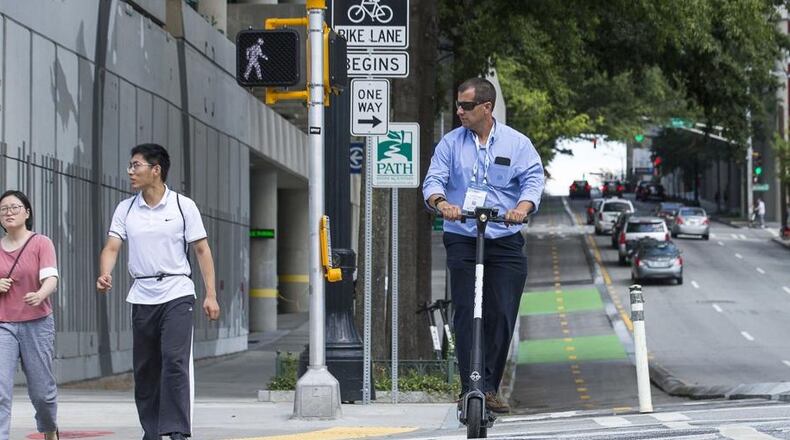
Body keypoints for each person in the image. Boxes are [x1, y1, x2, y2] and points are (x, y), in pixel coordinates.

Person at [422, 78, 544, 414]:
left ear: (486, 108)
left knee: (501, 313)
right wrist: (441, 201)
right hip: (463, 235)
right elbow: (433, 179)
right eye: (458, 105)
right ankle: (469, 388)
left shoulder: (517, 144)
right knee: (467, 311)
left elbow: (533, 179)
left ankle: (489, 387)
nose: (459, 111)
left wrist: (522, 208)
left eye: (465, 106)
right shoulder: (450, 144)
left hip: (504, 238)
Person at [96, 144, 220, 440]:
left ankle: (175, 429)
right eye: (130, 165)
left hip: (177, 291)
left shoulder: (182, 206)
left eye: (136, 165)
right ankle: (151, 431)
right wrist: (105, 272)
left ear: (156, 170)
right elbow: (112, 247)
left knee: (174, 361)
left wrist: (210, 294)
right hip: (142, 294)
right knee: (146, 368)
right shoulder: (125, 208)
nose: (130, 171)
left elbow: (202, 250)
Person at [0, 190, 59, 440]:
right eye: (3, 209)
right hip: (3, 325)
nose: (9, 212)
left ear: (27, 212)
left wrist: (40, 293)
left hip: (38, 324)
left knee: (42, 393)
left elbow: (51, 278)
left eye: (14, 207)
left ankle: (49, 430)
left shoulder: (41, 242)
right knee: (0, 391)